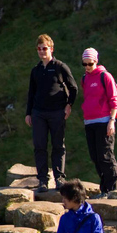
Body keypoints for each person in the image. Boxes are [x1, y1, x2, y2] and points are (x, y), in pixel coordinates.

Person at [25, 34, 78, 193]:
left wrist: (69, 105)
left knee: (58, 145)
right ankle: (42, 180)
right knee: (39, 146)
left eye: (45, 48)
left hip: (57, 112)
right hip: (39, 113)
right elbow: (31, 93)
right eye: (39, 49)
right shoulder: (35, 70)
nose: (42, 51)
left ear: (51, 49)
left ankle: (59, 178)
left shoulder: (60, 67)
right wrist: (28, 113)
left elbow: (73, 87)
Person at [80, 48, 117, 199]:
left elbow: (114, 100)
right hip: (89, 122)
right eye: (84, 64)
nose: (87, 67)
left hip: (104, 121)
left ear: (96, 61)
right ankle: (104, 189)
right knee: (95, 157)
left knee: (106, 156)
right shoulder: (85, 78)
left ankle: (112, 190)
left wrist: (112, 121)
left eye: (90, 64)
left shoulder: (106, 76)